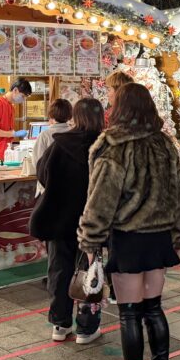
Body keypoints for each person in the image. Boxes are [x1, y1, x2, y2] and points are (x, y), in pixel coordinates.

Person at [78, 83, 180, 360]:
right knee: (154, 309)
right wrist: (178, 229)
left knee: (129, 312)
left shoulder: (114, 147)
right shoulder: (164, 143)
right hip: (159, 237)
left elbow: (100, 200)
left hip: (128, 237)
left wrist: (90, 242)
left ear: (119, 108)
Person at [31, 98, 105, 345]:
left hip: (58, 216)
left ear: (75, 116)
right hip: (90, 220)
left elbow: (42, 171)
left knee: (59, 270)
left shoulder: (60, 143)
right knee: (90, 272)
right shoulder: (104, 145)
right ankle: (86, 328)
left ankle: (60, 324)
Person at [0, 78, 32, 160]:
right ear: (15, 90)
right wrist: (13, 134)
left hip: (6, 152)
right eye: (23, 96)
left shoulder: (11, 106)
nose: (23, 99)